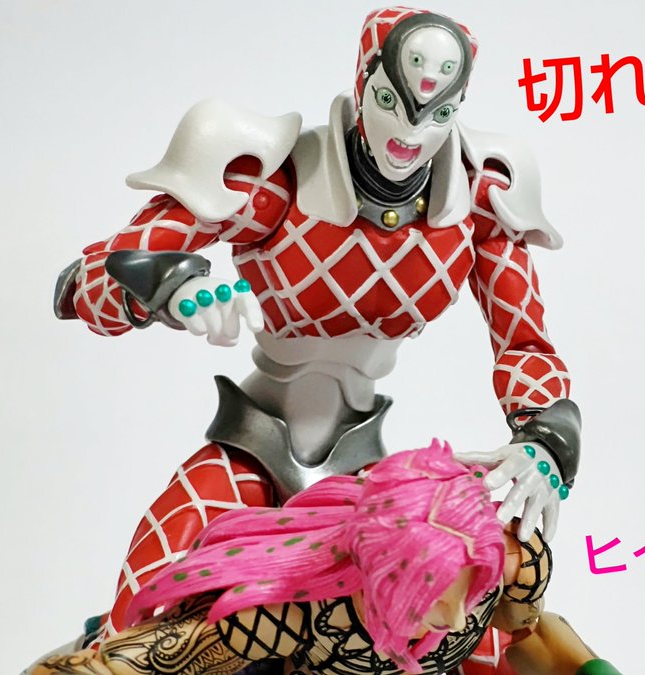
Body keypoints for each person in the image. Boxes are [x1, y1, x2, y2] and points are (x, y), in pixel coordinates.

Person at [51, 7, 584, 650]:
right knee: (138, 624)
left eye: (439, 112)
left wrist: (545, 442)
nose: (410, 134)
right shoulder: (276, 179)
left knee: (457, 632)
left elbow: (524, 340)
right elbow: (85, 283)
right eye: (390, 102)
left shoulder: (478, 200)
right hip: (250, 446)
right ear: (364, 82)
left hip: (363, 480)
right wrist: (167, 285)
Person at [27, 443, 618, 675]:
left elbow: (532, 639)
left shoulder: (513, 562)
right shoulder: (296, 614)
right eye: (430, 600)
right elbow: (142, 664)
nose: (458, 618)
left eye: (472, 590)